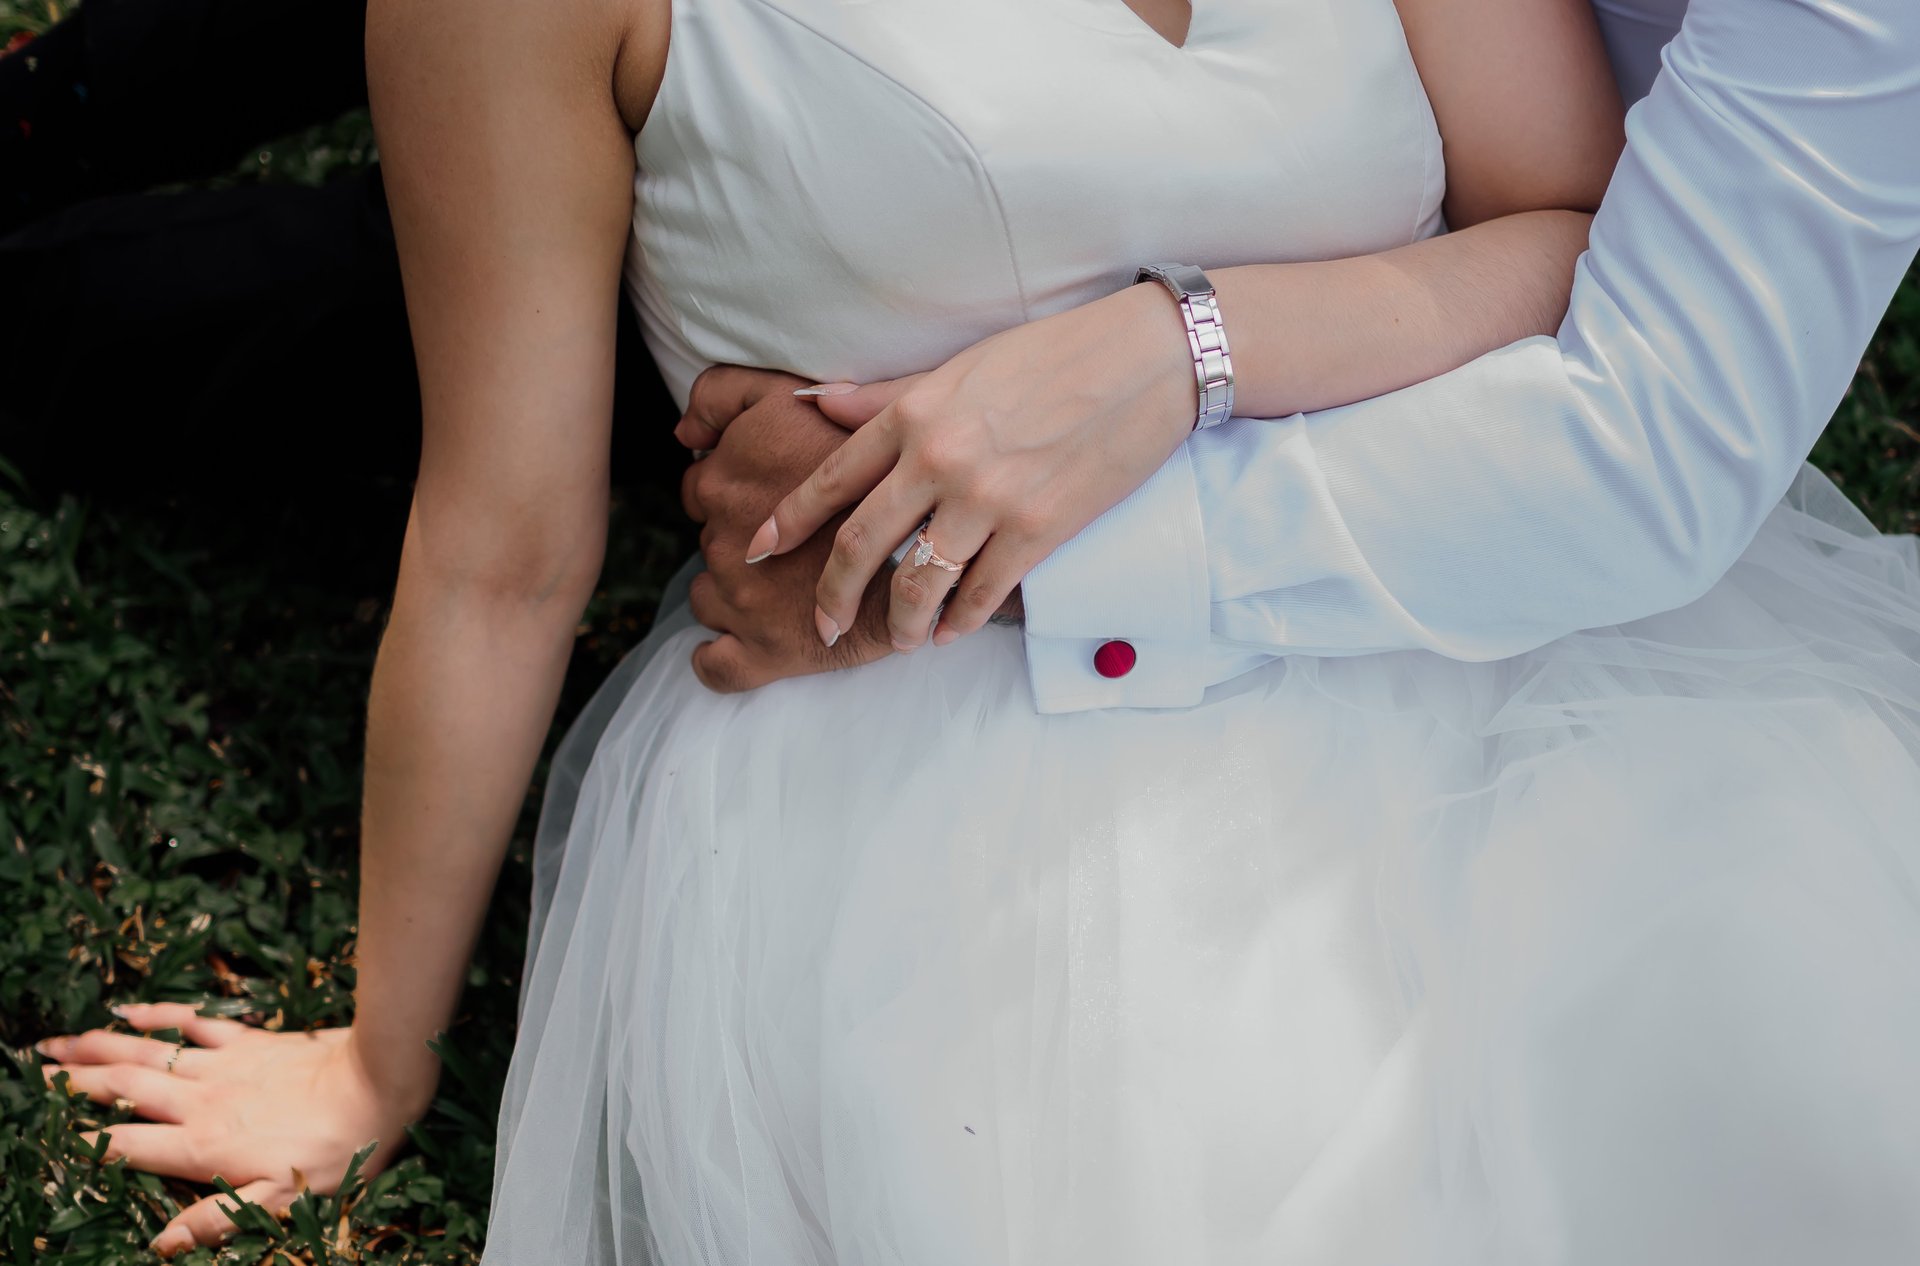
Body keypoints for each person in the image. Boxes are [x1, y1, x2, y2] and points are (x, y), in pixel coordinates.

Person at [34, 1, 1920, 1265]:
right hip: (934, 735)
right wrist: (382, 1049)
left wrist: (1168, 358)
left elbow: (1578, 246)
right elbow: (502, 547)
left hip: (1458, 598)